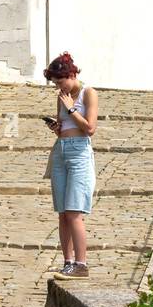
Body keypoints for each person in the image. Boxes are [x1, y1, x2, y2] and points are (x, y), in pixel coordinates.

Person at [44, 52, 98, 280]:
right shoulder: (62, 96)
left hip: (79, 152)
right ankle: (67, 261)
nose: (59, 86)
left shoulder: (88, 93)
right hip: (61, 150)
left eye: (61, 81)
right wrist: (56, 126)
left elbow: (90, 128)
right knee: (63, 212)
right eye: (55, 83)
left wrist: (71, 109)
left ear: (72, 74)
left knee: (75, 211)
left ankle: (81, 264)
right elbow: (63, 124)